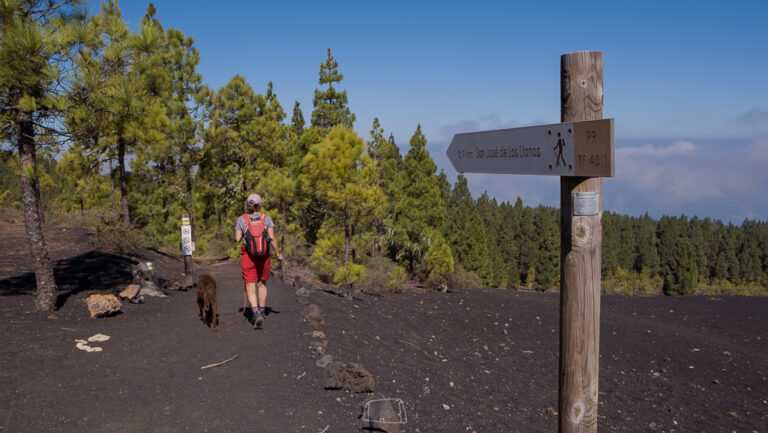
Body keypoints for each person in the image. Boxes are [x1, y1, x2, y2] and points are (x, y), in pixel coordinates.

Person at [235, 193, 283, 329]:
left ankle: (255, 313)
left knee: (250, 285)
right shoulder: (266, 218)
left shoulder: (241, 219)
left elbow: (237, 238)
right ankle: (262, 311)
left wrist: (244, 233)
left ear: (248, 205)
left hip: (248, 256)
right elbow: (272, 238)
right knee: (262, 283)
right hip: (264, 255)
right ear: (260, 204)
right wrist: (278, 253)